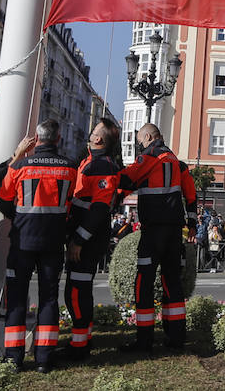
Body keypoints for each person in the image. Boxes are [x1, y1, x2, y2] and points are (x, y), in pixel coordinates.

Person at [0, 120, 77, 373]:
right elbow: (73, 203)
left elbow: (3, 199)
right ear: (58, 138)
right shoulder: (69, 168)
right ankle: (44, 357)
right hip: (53, 242)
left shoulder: (20, 166)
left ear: (36, 139)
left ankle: (13, 357)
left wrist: (18, 155)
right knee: (49, 298)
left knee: (17, 298)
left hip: (22, 240)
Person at [116, 123, 196, 351]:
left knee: (144, 282)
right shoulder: (177, 163)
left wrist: (111, 170)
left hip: (153, 231)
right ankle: (176, 336)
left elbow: (126, 179)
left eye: (141, 141)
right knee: (172, 281)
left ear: (149, 137)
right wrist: (191, 224)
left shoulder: (149, 157)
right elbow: (191, 196)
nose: (140, 145)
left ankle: (144, 340)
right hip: (174, 231)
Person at [63, 118, 122, 359]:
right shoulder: (90, 160)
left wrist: (79, 239)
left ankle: (80, 346)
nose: (90, 131)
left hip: (87, 239)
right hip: (82, 235)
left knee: (77, 290)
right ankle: (82, 339)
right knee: (75, 288)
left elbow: (99, 208)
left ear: (98, 139)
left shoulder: (102, 166)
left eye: (94, 129)